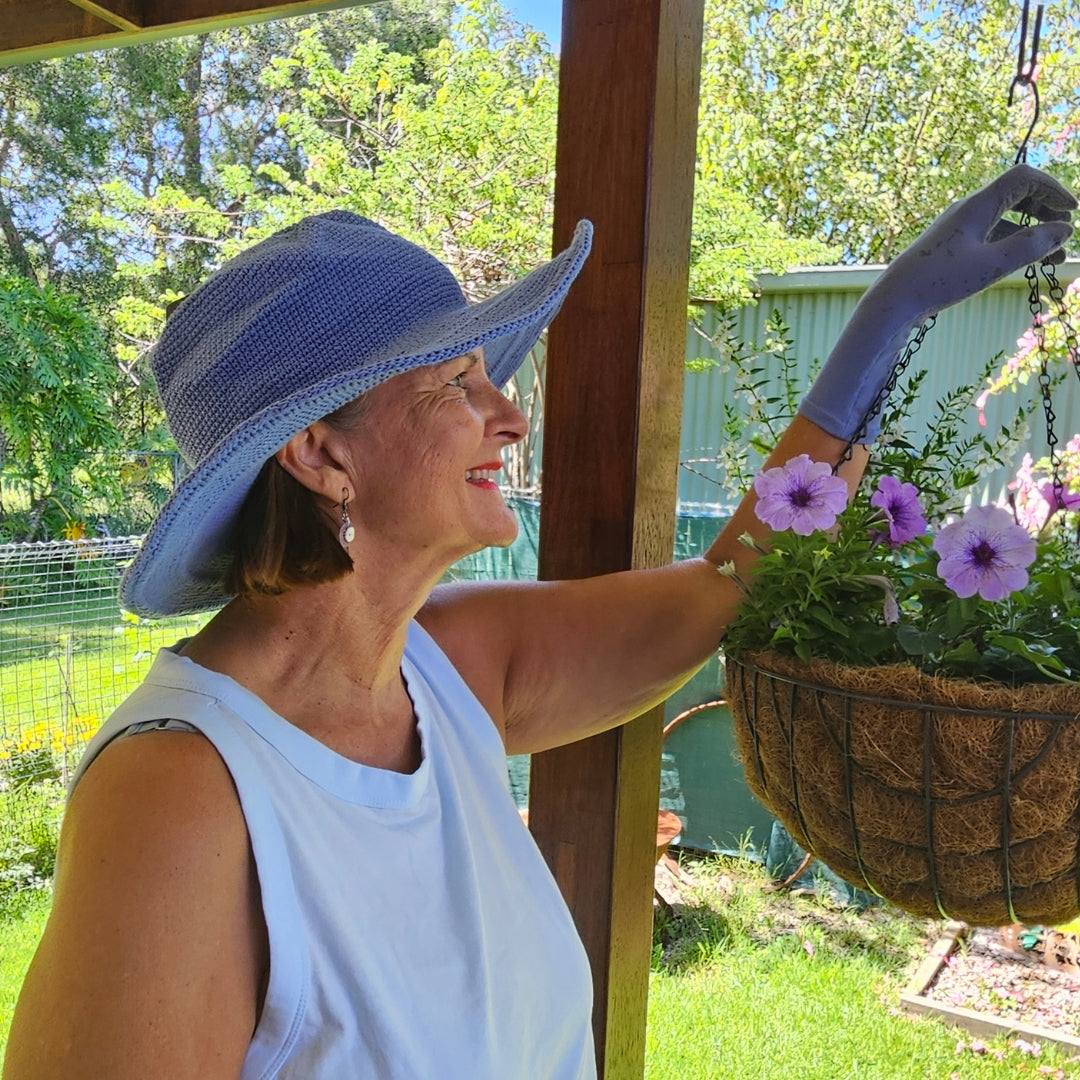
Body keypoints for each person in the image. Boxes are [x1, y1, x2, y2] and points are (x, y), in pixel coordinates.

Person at [3, 164, 1074, 1080]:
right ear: (321, 454)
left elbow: (724, 584)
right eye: (457, 381)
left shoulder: (447, 671)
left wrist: (885, 322)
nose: (509, 414)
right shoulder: (182, 797)